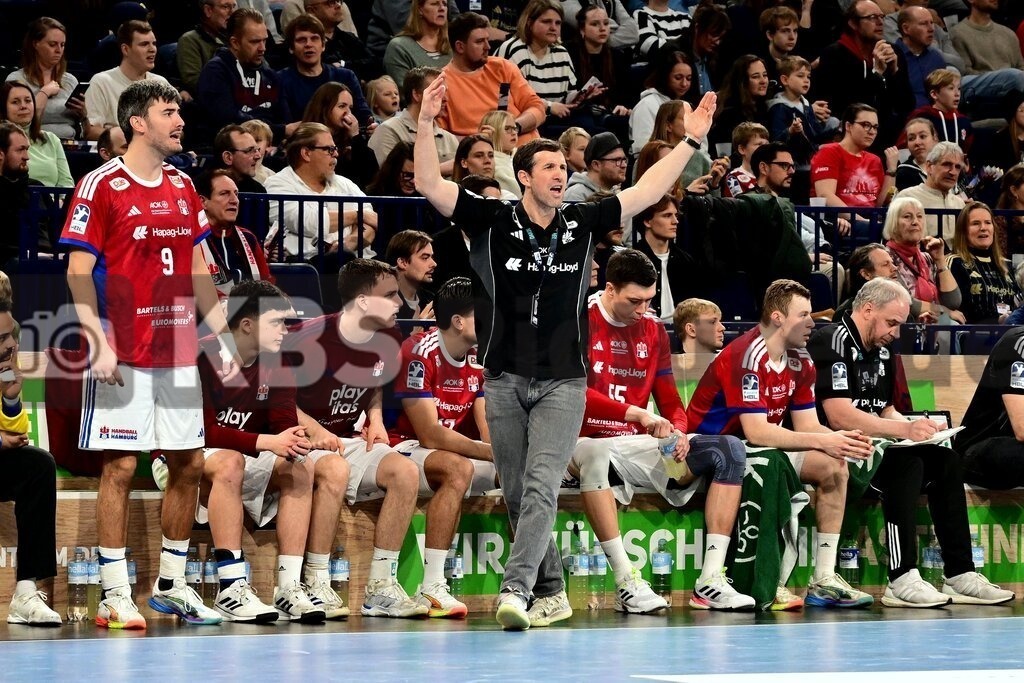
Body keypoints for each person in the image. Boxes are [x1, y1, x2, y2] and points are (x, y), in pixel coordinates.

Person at [413, 70, 720, 630]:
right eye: (549, 167)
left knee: (540, 482)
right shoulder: (492, 218)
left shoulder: (580, 221)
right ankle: (552, 590)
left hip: (562, 380)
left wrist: (690, 141)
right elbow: (431, 185)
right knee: (515, 490)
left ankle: (516, 590)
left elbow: (646, 192)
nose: (560, 174)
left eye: (563, 167)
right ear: (523, 176)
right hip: (504, 378)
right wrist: (425, 122)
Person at [59, 80, 235, 629]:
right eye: (168, 111)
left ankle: (172, 584)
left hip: (179, 349)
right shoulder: (100, 185)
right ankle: (114, 594)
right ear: (138, 121)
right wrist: (97, 338)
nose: (179, 119)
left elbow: (199, 267)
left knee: (188, 463)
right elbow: (77, 270)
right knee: (120, 466)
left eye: (180, 109)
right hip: (125, 351)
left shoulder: (184, 186)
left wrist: (222, 337)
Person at [810, 277, 1015, 607]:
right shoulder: (830, 341)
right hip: (837, 448)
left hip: (873, 447)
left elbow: (887, 410)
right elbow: (838, 416)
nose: (895, 331)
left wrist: (918, 427)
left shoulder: (884, 350)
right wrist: (903, 433)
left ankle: (960, 574)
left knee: (946, 460)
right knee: (906, 463)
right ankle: (901, 577)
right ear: (867, 309)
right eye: (891, 322)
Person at [568, 249, 753, 613]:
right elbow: (571, 393)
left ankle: (710, 582)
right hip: (579, 442)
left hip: (635, 446)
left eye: (649, 300)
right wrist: (635, 413)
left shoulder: (653, 329)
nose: (642, 310)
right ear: (609, 289)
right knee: (596, 452)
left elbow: (669, 403)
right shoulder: (579, 319)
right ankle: (626, 582)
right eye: (633, 300)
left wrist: (679, 432)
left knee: (729, 450)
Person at [686, 279, 876, 611]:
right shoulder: (747, 355)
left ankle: (824, 578)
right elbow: (757, 431)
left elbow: (807, 426)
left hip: (754, 443)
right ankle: (767, 581)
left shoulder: (800, 360)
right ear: (777, 318)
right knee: (773, 461)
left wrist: (839, 443)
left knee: (834, 466)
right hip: (710, 446)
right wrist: (824, 439)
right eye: (803, 315)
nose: (812, 322)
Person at [285, 258, 441, 619]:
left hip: (345, 437)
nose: (399, 303)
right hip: (298, 434)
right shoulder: (306, 338)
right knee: (335, 469)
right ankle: (316, 580)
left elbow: (373, 382)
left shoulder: (387, 335)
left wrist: (373, 416)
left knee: (404, 473)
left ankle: (381, 587)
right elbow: (276, 399)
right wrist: (315, 429)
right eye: (390, 295)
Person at [190, 279, 326, 623]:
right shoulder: (200, 355)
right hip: (185, 454)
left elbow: (282, 421)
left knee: (301, 465)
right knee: (230, 462)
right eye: (277, 322)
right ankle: (231, 589)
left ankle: (288, 588)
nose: (286, 329)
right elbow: (201, 430)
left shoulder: (277, 362)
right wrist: (267, 441)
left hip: (239, 452)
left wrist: (295, 440)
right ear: (247, 324)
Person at [390, 277, 497, 615]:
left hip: (448, 449)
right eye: (482, 314)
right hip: (401, 447)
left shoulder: (479, 357)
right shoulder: (419, 352)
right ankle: (432, 586)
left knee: (516, 473)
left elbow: (487, 424)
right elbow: (429, 435)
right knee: (457, 468)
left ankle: (526, 583)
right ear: (458, 321)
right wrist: (488, 452)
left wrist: (503, 455)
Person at [0, 297, 61, 626]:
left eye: (11, 335)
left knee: (38, 466)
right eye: (1, 339)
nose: (10, 344)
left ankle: (25, 592)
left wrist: (10, 398)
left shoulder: (4, 362)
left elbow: (16, 431)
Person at [264, 122, 378, 266]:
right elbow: (309, 222)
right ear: (306, 153)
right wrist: (357, 215)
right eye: (329, 149)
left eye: (335, 149)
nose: (336, 154)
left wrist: (347, 245)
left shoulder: (344, 184)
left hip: (355, 266)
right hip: (302, 268)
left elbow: (372, 222)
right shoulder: (277, 185)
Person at [812, 0, 914, 147]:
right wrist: (877, 74)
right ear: (853, 24)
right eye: (872, 17)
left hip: (886, 137)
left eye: (881, 16)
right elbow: (846, 105)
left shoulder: (893, 52)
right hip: (848, 136)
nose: (880, 22)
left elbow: (907, 105)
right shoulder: (834, 55)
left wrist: (895, 71)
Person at [197, 8, 299, 146]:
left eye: (264, 40)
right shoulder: (216, 72)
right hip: (231, 151)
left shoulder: (270, 75)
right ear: (235, 43)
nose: (262, 48)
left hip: (271, 148)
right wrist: (280, 131)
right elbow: (228, 122)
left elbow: (285, 119)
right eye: (255, 41)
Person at [438, 12, 546, 142]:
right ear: (460, 47)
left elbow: (537, 108)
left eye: (487, 40)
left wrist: (514, 127)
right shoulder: (442, 84)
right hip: (486, 156)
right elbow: (441, 137)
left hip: (529, 148)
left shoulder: (503, 67)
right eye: (479, 42)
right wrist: (482, 140)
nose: (488, 47)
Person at [277, 15, 373, 128]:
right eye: (301, 40)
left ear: (323, 45)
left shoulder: (346, 76)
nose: (308, 44)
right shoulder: (279, 81)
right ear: (291, 48)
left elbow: (364, 117)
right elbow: (286, 125)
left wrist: (371, 126)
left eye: (314, 38)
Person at [495, 0, 582, 122]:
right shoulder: (514, 50)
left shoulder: (561, 52)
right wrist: (549, 106)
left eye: (558, 23)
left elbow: (568, 94)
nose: (553, 27)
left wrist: (580, 97)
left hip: (556, 119)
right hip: (520, 120)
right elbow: (507, 98)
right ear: (530, 23)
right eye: (546, 22)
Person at [84, 21, 170, 141]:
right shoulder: (101, 82)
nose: (152, 49)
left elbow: (176, 130)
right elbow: (91, 131)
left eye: (154, 44)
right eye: (144, 44)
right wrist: (137, 138)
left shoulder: (161, 83)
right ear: (125, 49)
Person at [884, 196, 964, 322]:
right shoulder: (886, 258)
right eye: (907, 216)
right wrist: (944, 311)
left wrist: (940, 261)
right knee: (949, 323)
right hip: (902, 323)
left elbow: (953, 301)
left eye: (919, 216)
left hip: (930, 321)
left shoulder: (927, 258)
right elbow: (904, 301)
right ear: (893, 223)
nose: (915, 222)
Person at [5, 17, 87, 140]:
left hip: (70, 144)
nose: (59, 50)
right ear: (35, 44)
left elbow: (84, 128)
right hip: (33, 143)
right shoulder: (17, 80)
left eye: (62, 45)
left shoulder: (70, 81)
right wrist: (44, 92)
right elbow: (20, 122)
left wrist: (83, 114)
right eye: (52, 44)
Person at [368, 66, 458, 176]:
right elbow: (393, 178)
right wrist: (442, 169)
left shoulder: (450, 139)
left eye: (445, 91)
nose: (445, 98)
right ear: (416, 95)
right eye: (437, 91)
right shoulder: (388, 131)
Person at [195, 170, 272, 298]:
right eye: (224, 194)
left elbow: (267, 283)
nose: (234, 200)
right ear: (203, 202)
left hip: (251, 312)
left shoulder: (248, 238)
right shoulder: (193, 240)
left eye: (236, 194)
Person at [811, 104, 899, 214]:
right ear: (848, 126)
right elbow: (825, 195)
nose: (872, 132)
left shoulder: (875, 160)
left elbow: (881, 204)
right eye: (866, 125)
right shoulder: (829, 152)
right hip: (840, 223)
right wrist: (862, 221)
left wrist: (891, 170)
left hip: (870, 223)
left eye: (875, 127)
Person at [947, 201, 1022, 323]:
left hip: (1010, 332)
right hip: (973, 334)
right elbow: (957, 308)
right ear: (964, 230)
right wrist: (997, 321)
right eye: (975, 223)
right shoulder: (955, 262)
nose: (983, 228)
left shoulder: (1007, 265)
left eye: (988, 223)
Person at [949, 0, 1024, 121]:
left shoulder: (1008, 33)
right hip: (983, 99)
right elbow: (964, 76)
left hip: (1015, 97)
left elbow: (1021, 68)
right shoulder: (957, 34)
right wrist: (1002, 79)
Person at [301, 82, 378, 188]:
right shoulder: (306, 139)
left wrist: (356, 137)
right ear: (324, 108)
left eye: (350, 107)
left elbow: (370, 176)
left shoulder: (353, 139)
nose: (348, 113)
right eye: (342, 106)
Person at [634, 194, 698, 322]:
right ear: (647, 221)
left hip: (681, 330)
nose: (675, 221)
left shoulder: (685, 260)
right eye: (667, 215)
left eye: (676, 215)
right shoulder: (633, 260)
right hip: (645, 329)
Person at [0, 82, 72, 188]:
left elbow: (66, 183)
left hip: (52, 202)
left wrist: (60, 202)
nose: (23, 106)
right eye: (15, 102)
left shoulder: (51, 139)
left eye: (28, 101)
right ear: (3, 107)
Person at [894, 141, 966, 239]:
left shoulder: (960, 204)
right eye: (946, 164)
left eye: (957, 167)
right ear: (929, 166)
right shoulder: (907, 198)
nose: (953, 172)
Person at [0, 123, 50, 264]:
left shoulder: (37, 188)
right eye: (20, 150)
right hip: (9, 265)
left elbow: (55, 232)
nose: (26, 157)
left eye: (27, 150)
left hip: (47, 263)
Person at [629, 50, 693, 156]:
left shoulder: (687, 105)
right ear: (665, 76)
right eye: (678, 78)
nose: (684, 84)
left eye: (689, 78)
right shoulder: (646, 105)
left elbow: (701, 147)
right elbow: (642, 151)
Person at [901, 69, 973, 155]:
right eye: (951, 88)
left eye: (959, 88)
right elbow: (903, 149)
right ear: (934, 94)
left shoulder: (963, 121)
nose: (957, 93)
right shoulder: (921, 118)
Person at [384, 0, 453, 87]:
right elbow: (405, 94)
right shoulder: (400, 48)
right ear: (419, 9)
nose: (442, 8)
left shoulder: (455, 44)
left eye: (445, 4)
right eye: (435, 4)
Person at [708, 55, 770, 149]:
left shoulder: (763, 107)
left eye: (765, 75)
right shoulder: (729, 112)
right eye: (755, 77)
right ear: (742, 81)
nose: (763, 81)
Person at [177, 0, 234, 94]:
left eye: (234, 6)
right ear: (208, 10)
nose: (232, 13)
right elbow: (194, 82)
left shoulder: (237, 38)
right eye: (225, 7)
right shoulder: (190, 40)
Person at [386, 229, 436, 322]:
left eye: (431, 257)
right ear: (403, 262)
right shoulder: (382, 303)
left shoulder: (432, 300)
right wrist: (420, 332)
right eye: (425, 258)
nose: (434, 263)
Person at [564, 132, 627, 202]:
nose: (624, 165)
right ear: (596, 165)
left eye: (624, 160)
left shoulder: (617, 194)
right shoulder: (575, 195)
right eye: (617, 160)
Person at [561, 0, 640, 52]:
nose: (602, 27)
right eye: (594, 24)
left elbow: (633, 34)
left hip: (612, 59)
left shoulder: (612, 1)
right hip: (581, 61)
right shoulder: (568, 3)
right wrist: (620, 28)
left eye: (606, 23)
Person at [212, 124, 266, 194]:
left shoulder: (258, 191)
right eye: (249, 150)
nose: (258, 156)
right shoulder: (200, 189)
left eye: (257, 149)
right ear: (228, 157)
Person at [722, 122, 768, 198]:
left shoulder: (772, 173)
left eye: (767, 144)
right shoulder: (733, 178)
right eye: (759, 144)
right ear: (742, 149)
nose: (766, 148)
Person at [895, 117, 938, 191]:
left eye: (922, 136)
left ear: (934, 138)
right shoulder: (904, 173)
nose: (917, 142)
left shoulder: (950, 166)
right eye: (911, 138)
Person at [239, 119, 275, 184]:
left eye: (257, 140)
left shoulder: (272, 177)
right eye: (247, 140)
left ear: (268, 145)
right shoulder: (233, 174)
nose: (252, 144)